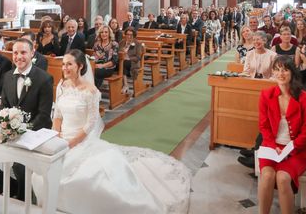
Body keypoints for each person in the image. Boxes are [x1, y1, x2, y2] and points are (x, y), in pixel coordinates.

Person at [34, 50, 190, 213]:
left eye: (69, 64)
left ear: (80, 66)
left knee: (87, 177)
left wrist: (70, 143)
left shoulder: (91, 91)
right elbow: (58, 115)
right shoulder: (61, 86)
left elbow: (90, 124)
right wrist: (56, 135)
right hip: (61, 138)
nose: (65, 68)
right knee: (41, 173)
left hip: (81, 141)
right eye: (64, 64)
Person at [0, 37, 54, 201]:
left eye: (23, 52)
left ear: (32, 53)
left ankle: (23, 201)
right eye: (15, 53)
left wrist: (20, 130)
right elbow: (3, 107)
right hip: (9, 132)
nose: (18, 56)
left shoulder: (44, 79)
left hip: (32, 135)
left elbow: (44, 117)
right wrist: (4, 126)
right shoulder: (8, 76)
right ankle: (11, 188)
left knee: (20, 166)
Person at [257, 56, 306, 214]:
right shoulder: (266, 95)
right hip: (271, 148)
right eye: (277, 69)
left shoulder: (304, 97)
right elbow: (264, 126)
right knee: (267, 176)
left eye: (285, 69)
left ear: (292, 72)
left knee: (283, 178)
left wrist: (290, 148)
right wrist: (274, 146)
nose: (281, 73)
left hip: (297, 150)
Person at [92, 25, 119, 89]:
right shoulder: (96, 44)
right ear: (99, 34)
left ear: (109, 33)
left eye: (106, 32)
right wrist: (94, 64)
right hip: (97, 66)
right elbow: (94, 58)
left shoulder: (114, 44)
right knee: (86, 71)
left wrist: (102, 65)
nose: (104, 34)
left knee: (96, 72)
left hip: (109, 68)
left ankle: (94, 90)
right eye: (102, 32)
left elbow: (114, 61)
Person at [119, 27, 143, 95]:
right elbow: (118, 52)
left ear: (134, 35)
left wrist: (128, 58)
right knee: (121, 63)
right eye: (127, 34)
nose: (129, 36)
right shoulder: (122, 42)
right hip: (123, 62)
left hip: (133, 63)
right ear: (125, 35)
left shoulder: (137, 44)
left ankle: (125, 85)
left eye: (131, 35)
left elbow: (138, 57)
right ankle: (125, 84)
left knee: (123, 63)